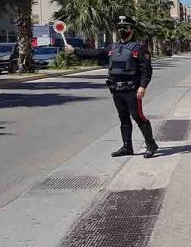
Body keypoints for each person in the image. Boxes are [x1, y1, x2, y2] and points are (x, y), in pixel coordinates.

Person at [65, 16, 159, 158]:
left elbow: (146, 70)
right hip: (117, 90)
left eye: (125, 27)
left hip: (132, 90)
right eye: (119, 28)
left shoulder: (139, 49)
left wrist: (143, 86)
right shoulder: (112, 47)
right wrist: (74, 51)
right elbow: (95, 53)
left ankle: (151, 145)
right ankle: (127, 147)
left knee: (138, 116)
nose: (122, 30)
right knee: (123, 118)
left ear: (131, 30)